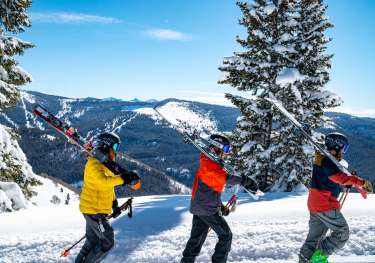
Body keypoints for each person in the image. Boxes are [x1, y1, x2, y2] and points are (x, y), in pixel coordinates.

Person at [299, 132, 373, 263]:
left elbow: (330, 180)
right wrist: (359, 182)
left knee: (314, 238)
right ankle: (319, 257)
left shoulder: (323, 159)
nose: (344, 152)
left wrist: (349, 182)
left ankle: (305, 259)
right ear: (337, 147)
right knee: (342, 233)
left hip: (315, 204)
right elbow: (338, 177)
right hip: (325, 204)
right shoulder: (327, 161)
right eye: (344, 148)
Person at [181, 134, 252, 263]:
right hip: (207, 209)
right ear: (217, 147)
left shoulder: (208, 162)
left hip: (200, 207)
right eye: (225, 149)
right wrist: (244, 180)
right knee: (226, 236)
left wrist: (221, 206)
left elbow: (211, 190)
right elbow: (225, 178)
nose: (227, 153)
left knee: (196, 239)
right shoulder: (209, 165)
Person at [75, 132, 140, 263]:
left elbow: (107, 187)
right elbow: (103, 181)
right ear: (105, 146)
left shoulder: (104, 164)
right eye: (114, 147)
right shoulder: (93, 163)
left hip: (94, 210)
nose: (116, 151)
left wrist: (114, 204)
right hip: (94, 211)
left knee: (92, 241)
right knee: (107, 242)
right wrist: (123, 178)